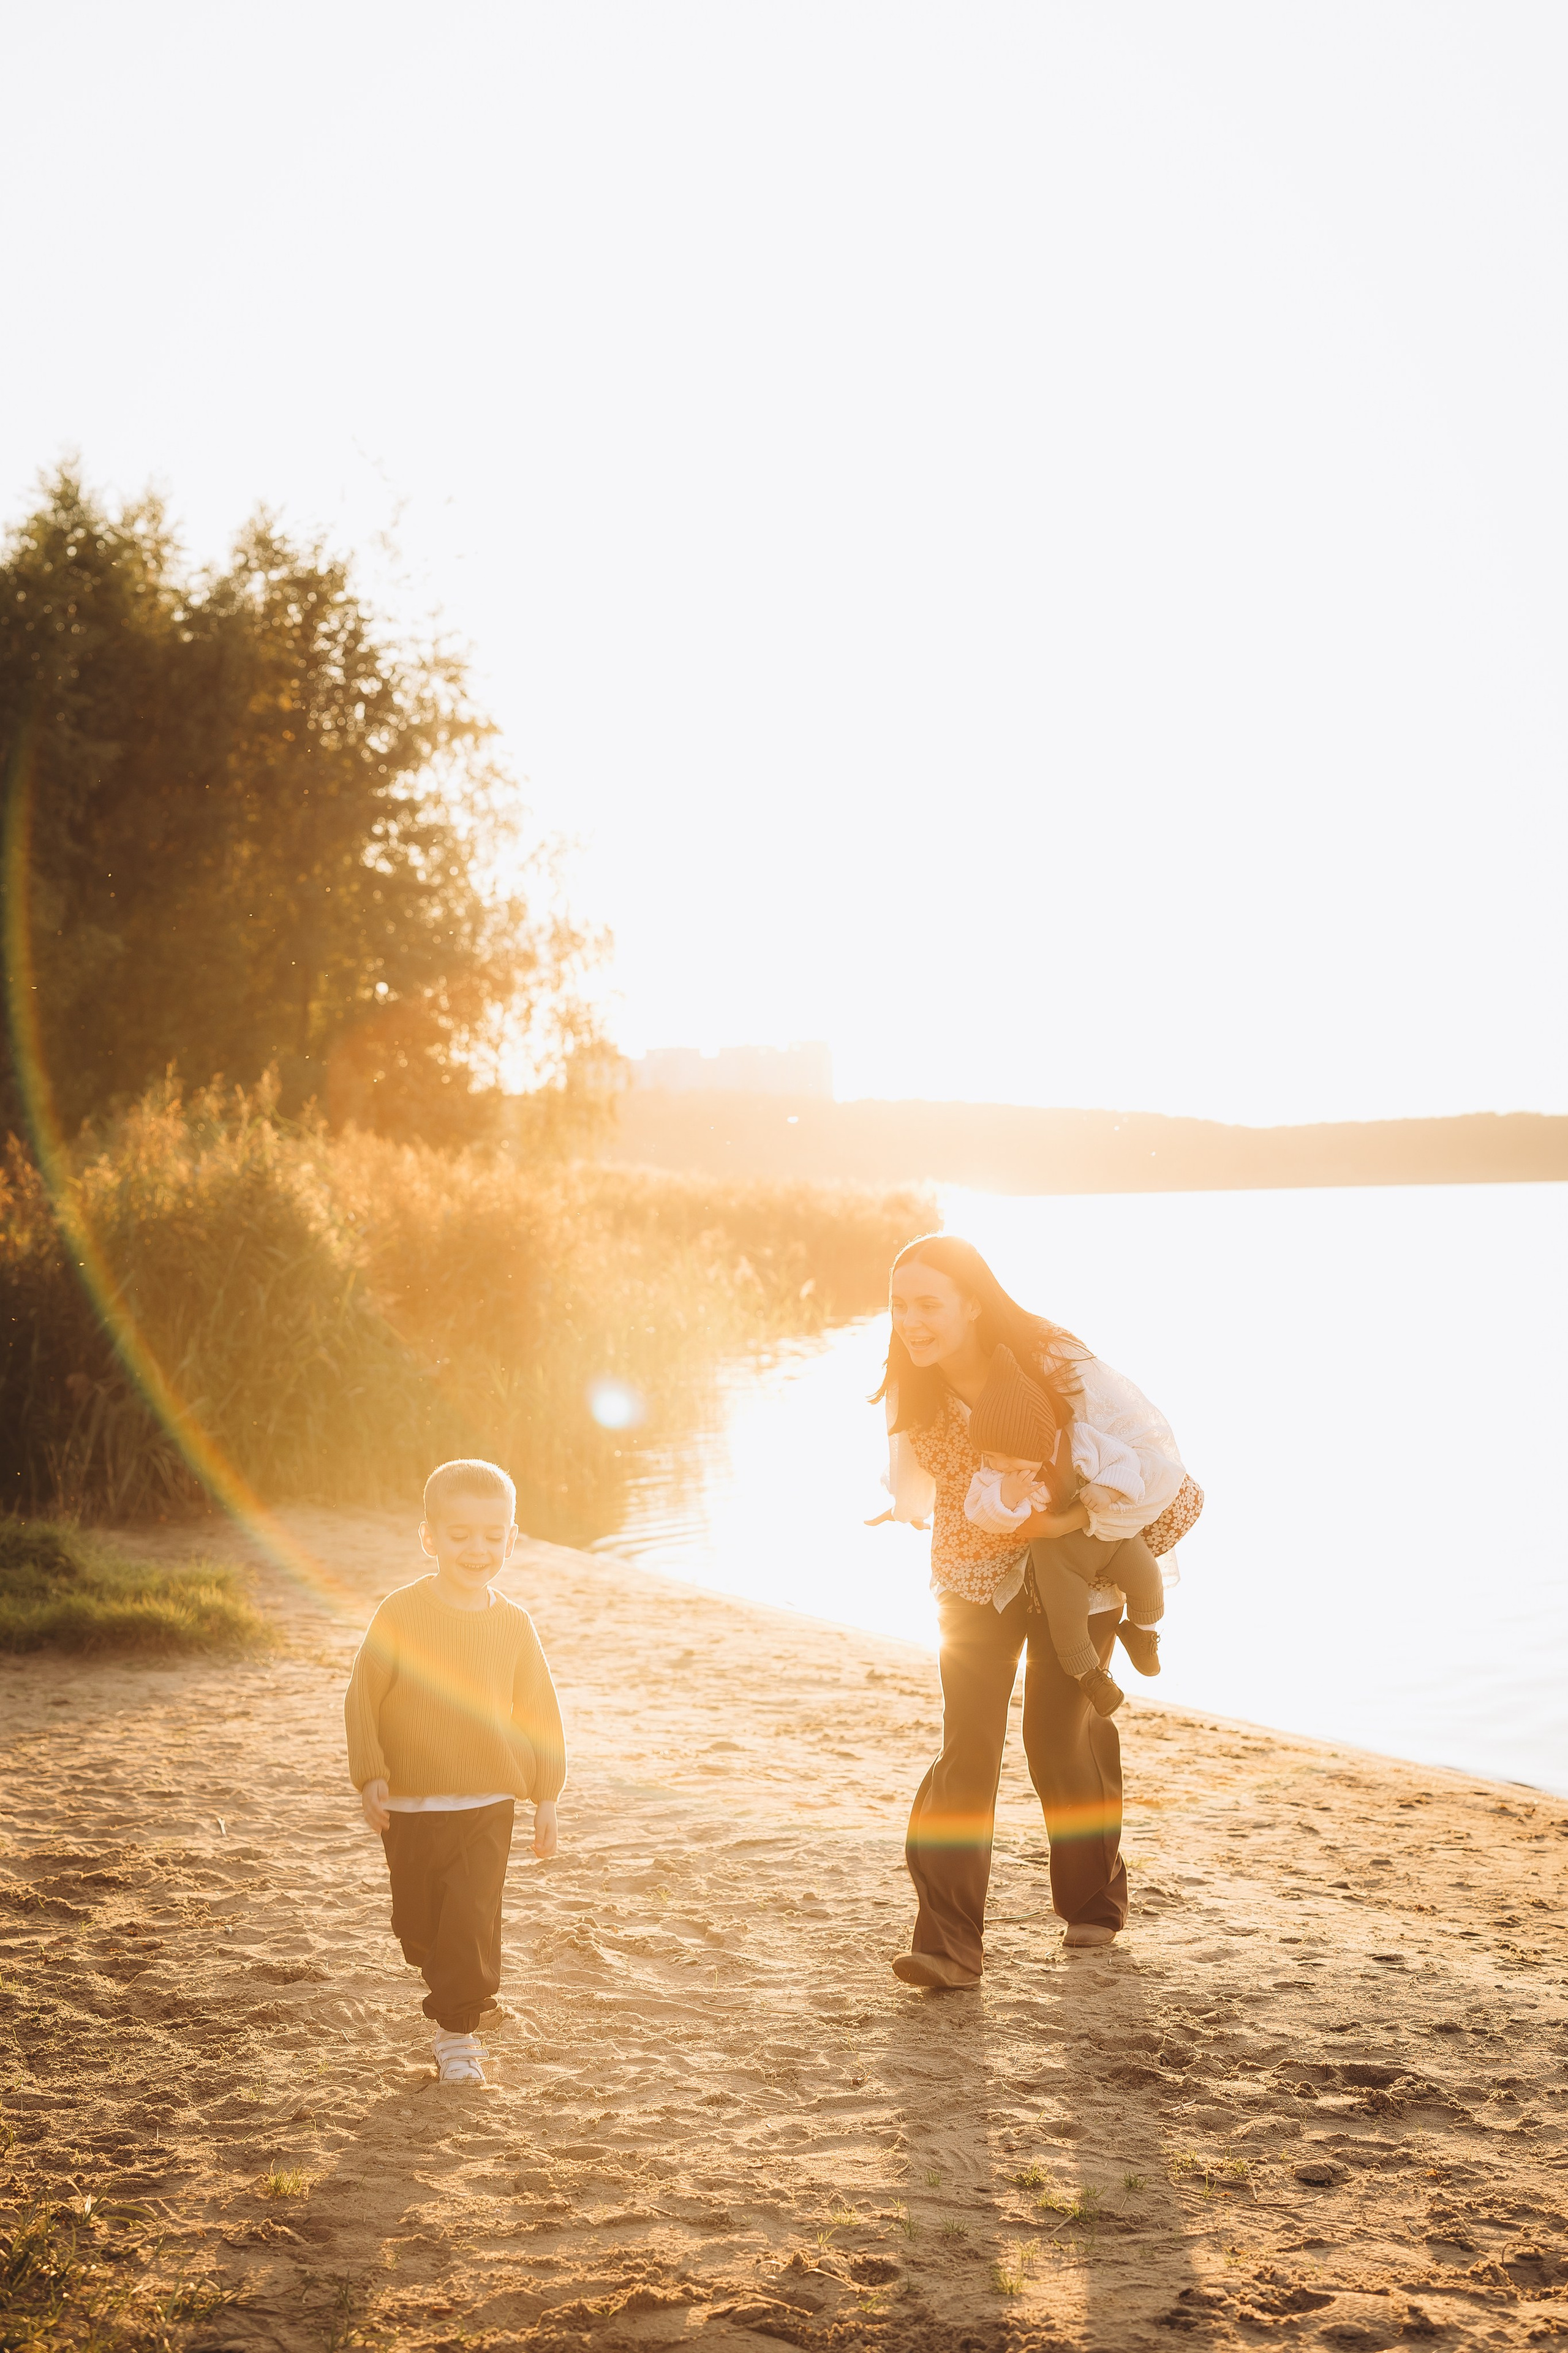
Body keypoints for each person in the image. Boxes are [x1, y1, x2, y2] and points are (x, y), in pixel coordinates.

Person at [872, 1234, 1190, 1988]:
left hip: (1074, 1566)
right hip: (968, 1573)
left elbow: (1153, 1464)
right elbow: (912, 1485)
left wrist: (1062, 1521)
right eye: (898, 1305)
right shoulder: (908, 1380)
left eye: (928, 1304)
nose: (910, 1321)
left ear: (972, 1304)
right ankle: (949, 1945)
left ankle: (1093, 1899)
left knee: (1057, 1736)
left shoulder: (1055, 1360)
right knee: (968, 1745)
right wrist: (904, 1506)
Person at [344, 1458, 565, 2085]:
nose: (477, 1549)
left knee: (470, 1916)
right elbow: (363, 1695)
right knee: (420, 1929)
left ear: (511, 1539)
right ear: (430, 1537)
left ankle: (457, 2032)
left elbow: (540, 1710)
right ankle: (449, 1978)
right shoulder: (400, 1612)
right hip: (410, 1806)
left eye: (493, 1535)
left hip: (488, 1803)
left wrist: (546, 1794)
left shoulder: (514, 1624)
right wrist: (371, 1772)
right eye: (460, 1534)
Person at [965, 1343, 1171, 1717]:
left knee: (1147, 1576)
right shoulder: (996, 1477)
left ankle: (1142, 1632)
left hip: (1109, 1536)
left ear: (1036, 1440)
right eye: (991, 1456)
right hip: (1059, 1559)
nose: (999, 1464)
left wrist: (1106, 1489)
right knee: (1067, 1617)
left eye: (1008, 1455)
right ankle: (1090, 1677)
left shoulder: (1080, 1441)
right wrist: (1006, 1498)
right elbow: (981, 1513)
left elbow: (1126, 1462)